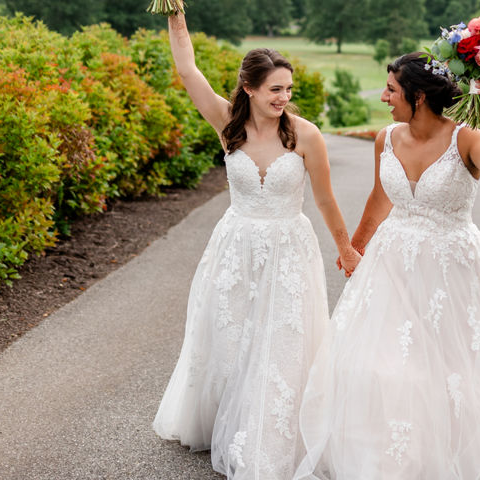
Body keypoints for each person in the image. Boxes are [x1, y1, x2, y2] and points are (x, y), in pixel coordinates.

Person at [294, 52, 480, 479]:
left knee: (453, 374)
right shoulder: (385, 138)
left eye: (391, 89)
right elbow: (380, 197)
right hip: (390, 266)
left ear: (418, 96)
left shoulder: (467, 137)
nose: (385, 97)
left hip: (451, 273)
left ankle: (456, 461)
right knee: (381, 366)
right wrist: (355, 247)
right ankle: (394, 461)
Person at [152, 13, 361, 479]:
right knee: (232, 336)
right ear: (248, 88)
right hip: (236, 245)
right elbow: (188, 71)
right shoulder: (227, 124)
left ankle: (273, 430)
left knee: (281, 340)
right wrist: (176, 16)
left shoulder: (305, 134)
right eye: (275, 90)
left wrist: (346, 248)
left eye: (289, 90)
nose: (284, 98)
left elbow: (325, 199)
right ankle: (227, 417)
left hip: (290, 248)